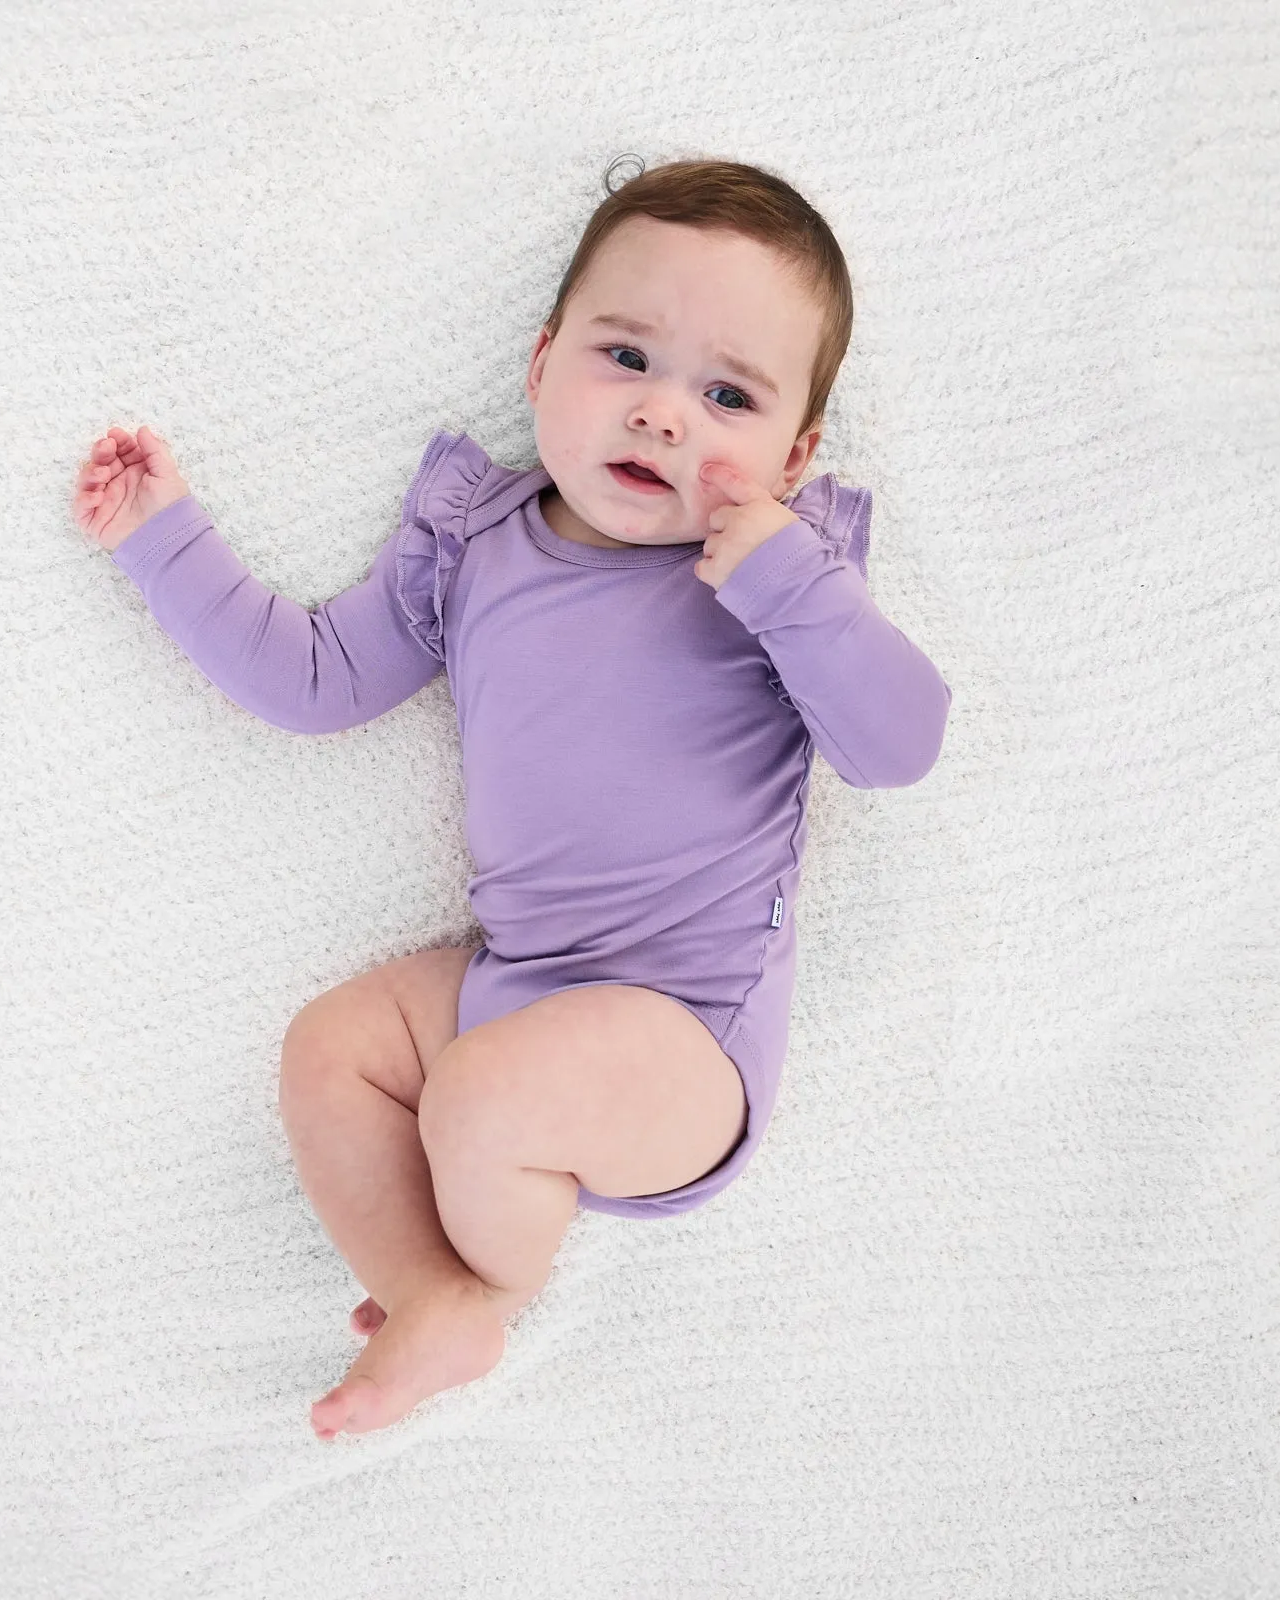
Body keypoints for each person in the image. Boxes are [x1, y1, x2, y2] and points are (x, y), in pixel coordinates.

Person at [70, 155, 952, 1443]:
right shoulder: (473, 545)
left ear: (793, 451)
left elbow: (898, 746)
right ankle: (436, 1296)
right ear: (540, 367)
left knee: (482, 1097)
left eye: (727, 395)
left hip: (683, 1032)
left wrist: (792, 584)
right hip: (518, 973)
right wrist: (164, 537)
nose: (663, 417)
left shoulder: (782, 578)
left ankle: (486, 1285)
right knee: (335, 1051)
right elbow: (313, 679)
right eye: (625, 358)